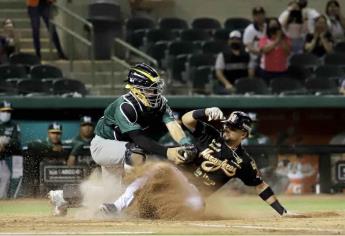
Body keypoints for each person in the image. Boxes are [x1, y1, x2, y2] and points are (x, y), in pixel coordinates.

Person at [48, 63, 192, 215]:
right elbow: (139, 139)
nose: (155, 92)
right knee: (135, 151)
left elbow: (173, 125)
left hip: (121, 149)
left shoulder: (160, 102)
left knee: (112, 194)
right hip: (103, 146)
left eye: (155, 88)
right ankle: (127, 198)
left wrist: (185, 144)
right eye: (150, 89)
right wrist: (168, 152)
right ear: (136, 89)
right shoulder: (125, 106)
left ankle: (61, 197)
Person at [99, 108, 295, 218]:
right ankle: (116, 207)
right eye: (226, 125)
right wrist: (204, 112)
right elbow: (186, 120)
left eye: (233, 128)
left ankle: (143, 213)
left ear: (243, 134)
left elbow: (260, 186)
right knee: (158, 168)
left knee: (196, 208)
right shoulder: (210, 135)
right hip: (177, 178)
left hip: (195, 194)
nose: (226, 129)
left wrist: (282, 211)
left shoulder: (244, 162)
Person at [22, 122, 70, 197]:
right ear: (48, 133)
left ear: (61, 134)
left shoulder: (64, 147)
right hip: (43, 181)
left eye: (58, 133)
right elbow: (30, 144)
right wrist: (50, 147)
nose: (55, 136)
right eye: (53, 133)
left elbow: (76, 143)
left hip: (60, 180)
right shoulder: (42, 144)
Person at [214, 30, 250, 94]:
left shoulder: (247, 55)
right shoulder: (222, 55)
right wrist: (227, 84)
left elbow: (250, 73)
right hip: (226, 86)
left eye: (237, 39)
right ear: (229, 41)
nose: (235, 41)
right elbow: (219, 73)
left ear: (241, 41)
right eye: (232, 39)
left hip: (242, 86)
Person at [258, 18, 291, 83]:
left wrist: (281, 39)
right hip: (267, 71)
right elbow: (264, 50)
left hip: (282, 70)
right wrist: (276, 41)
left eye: (275, 25)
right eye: (272, 26)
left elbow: (287, 52)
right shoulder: (264, 39)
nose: (274, 28)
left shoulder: (285, 39)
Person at [0, 101, 21, 199]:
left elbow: (17, 142)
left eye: (8, 111)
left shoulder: (14, 125)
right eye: (4, 111)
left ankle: (2, 200)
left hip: (5, 157)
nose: (6, 113)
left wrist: (5, 143)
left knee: (6, 176)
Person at [243, 6, 267, 78]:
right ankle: (251, 82)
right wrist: (260, 53)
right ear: (253, 16)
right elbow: (249, 47)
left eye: (261, 14)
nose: (259, 16)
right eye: (256, 15)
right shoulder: (249, 30)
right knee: (252, 64)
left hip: (266, 53)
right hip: (253, 55)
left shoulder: (267, 27)